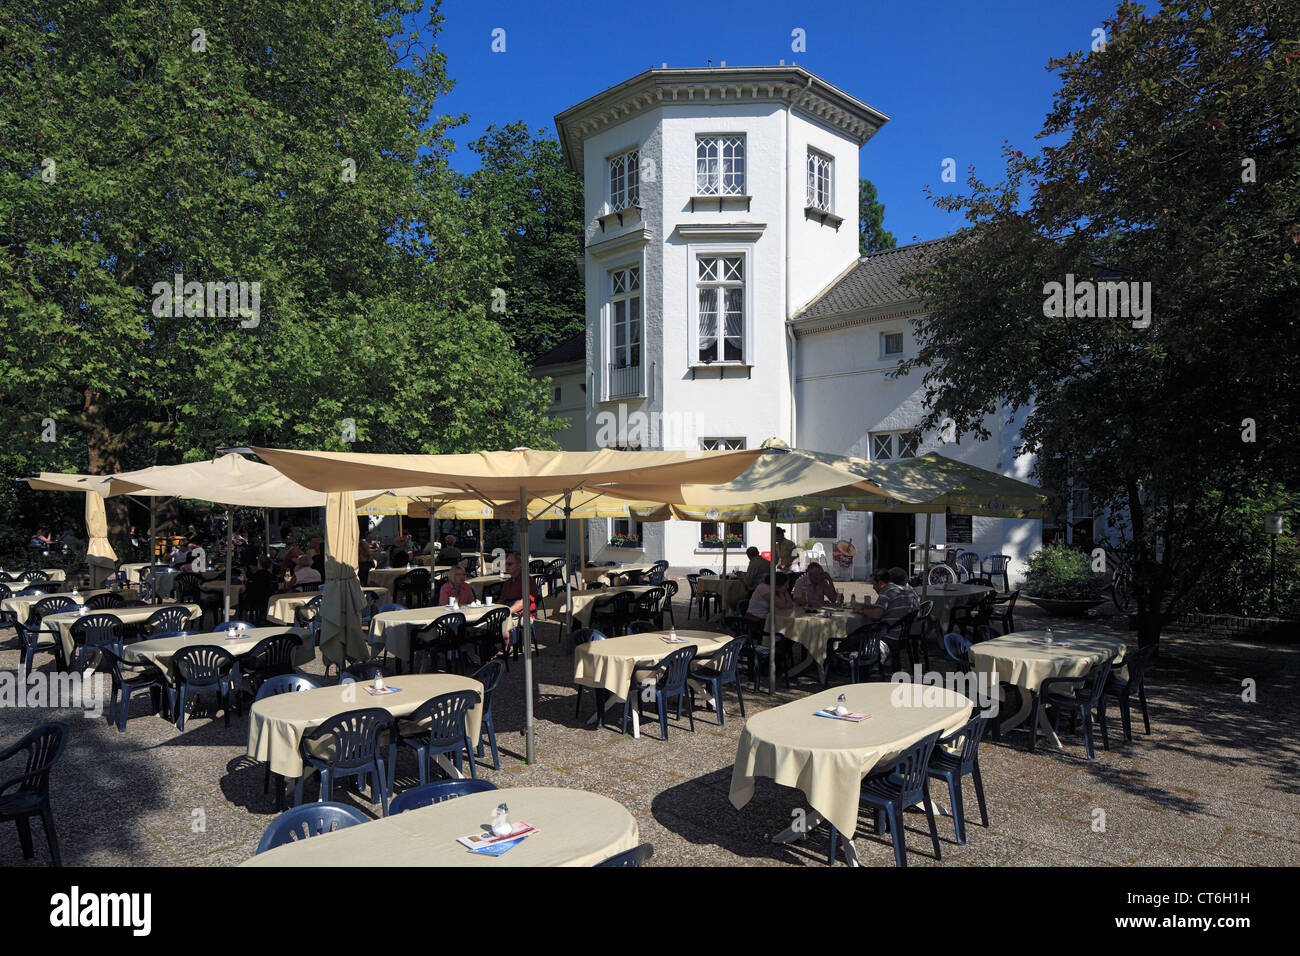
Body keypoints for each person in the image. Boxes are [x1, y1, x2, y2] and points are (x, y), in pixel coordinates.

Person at [856, 567, 918, 665]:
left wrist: (862, 610)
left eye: (873, 584)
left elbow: (876, 615)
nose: (873, 587)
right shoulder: (901, 590)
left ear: (881, 583)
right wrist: (867, 607)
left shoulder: (887, 592)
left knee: (859, 634)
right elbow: (886, 608)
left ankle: (861, 663)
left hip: (891, 635)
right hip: (902, 633)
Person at [499, 552, 541, 654]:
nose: (506, 566)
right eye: (506, 564)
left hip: (524, 612)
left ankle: (506, 648)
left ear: (519, 564)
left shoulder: (527, 580)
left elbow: (526, 601)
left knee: (504, 619)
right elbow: (502, 599)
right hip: (510, 607)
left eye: (510, 564)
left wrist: (507, 611)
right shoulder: (507, 583)